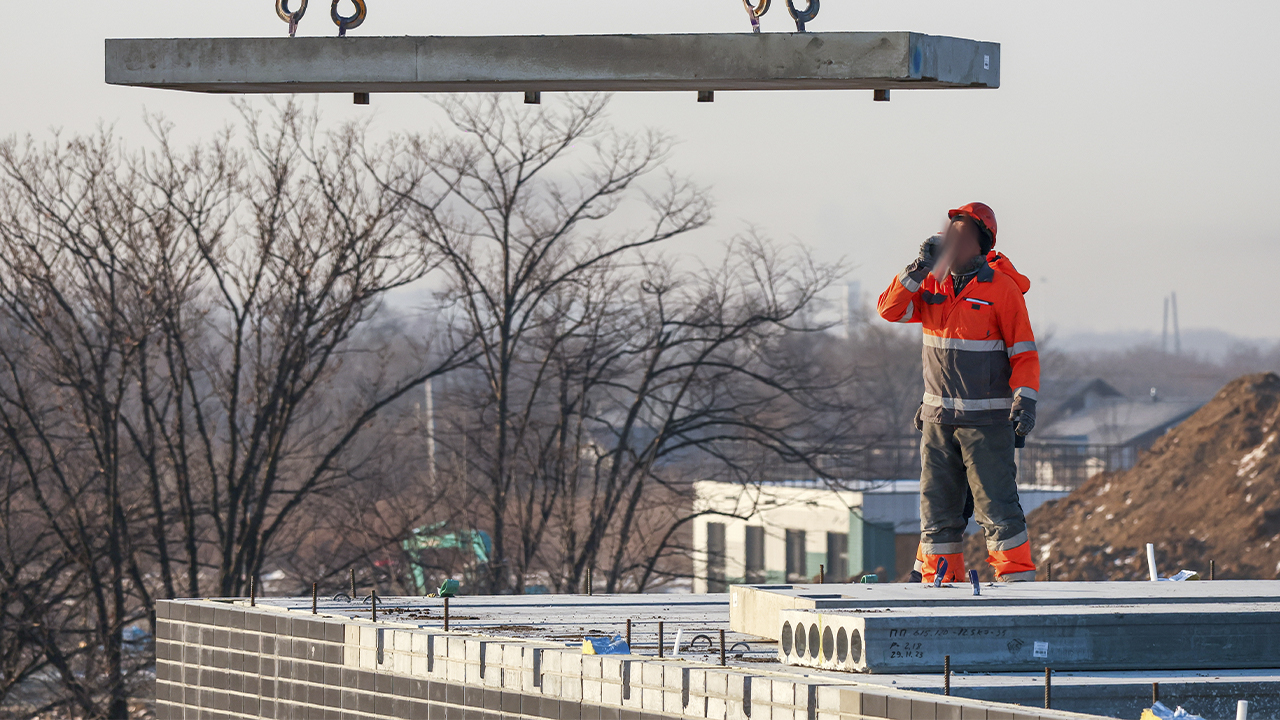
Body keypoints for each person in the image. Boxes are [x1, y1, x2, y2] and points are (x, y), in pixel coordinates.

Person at [876, 202, 1040, 583]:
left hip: (987, 424)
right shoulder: (931, 282)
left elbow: (1024, 353)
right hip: (938, 422)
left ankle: (1017, 587)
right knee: (938, 514)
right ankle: (940, 588)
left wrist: (1026, 399)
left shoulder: (1001, 290)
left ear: (981, 244)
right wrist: (918, 267)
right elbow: (889, 310)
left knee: (997, 509)